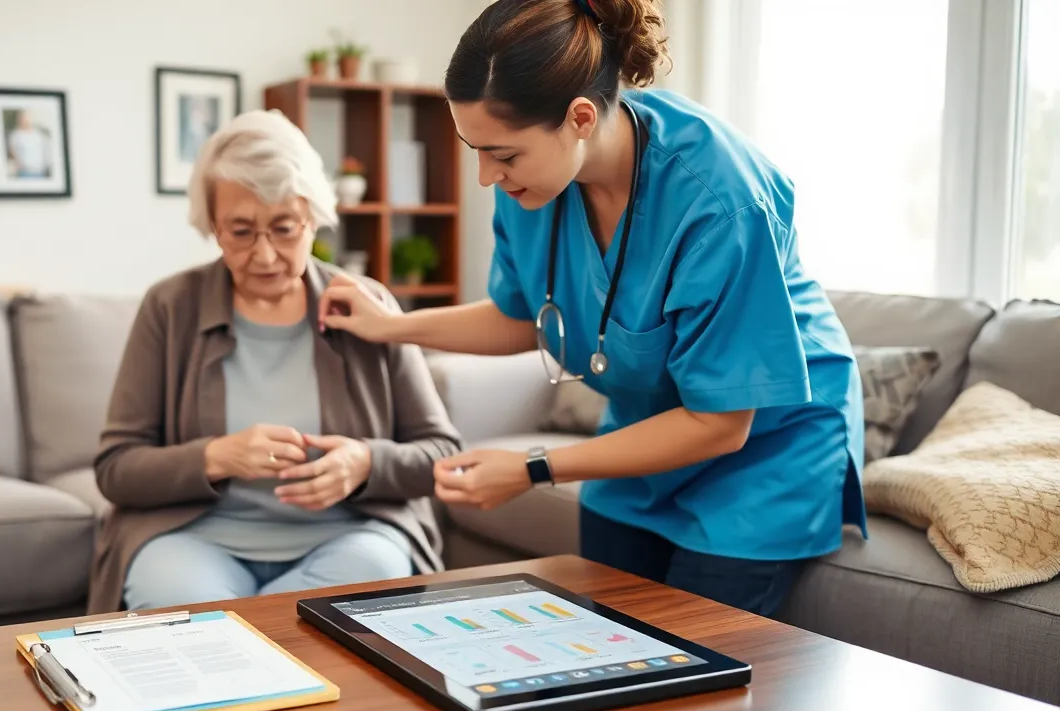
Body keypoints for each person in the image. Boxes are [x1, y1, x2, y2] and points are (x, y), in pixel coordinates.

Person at [317, 0, 866, 618]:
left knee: (693, 670)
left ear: (580, 117)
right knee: (600, 636)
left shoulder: (720, 202)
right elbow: (521, 317)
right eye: (474, 148)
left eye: (501, 154)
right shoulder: (534, 182)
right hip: (645, 430)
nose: (484, 176)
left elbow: (721, 423)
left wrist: (531, 467)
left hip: (764, 449)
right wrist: (389, 326)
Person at [86, 109, 463, 614]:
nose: (264, 256)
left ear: (314, 220)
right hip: (194, 542)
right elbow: (116, 468)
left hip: (346, 539)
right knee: (178, 598)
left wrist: (365, 463)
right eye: (240, 232)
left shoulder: (366, 303)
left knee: (369, 575)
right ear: (212, 227)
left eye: (284, 229)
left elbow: (441, 452)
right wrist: (215, 457)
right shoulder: (169, 307)